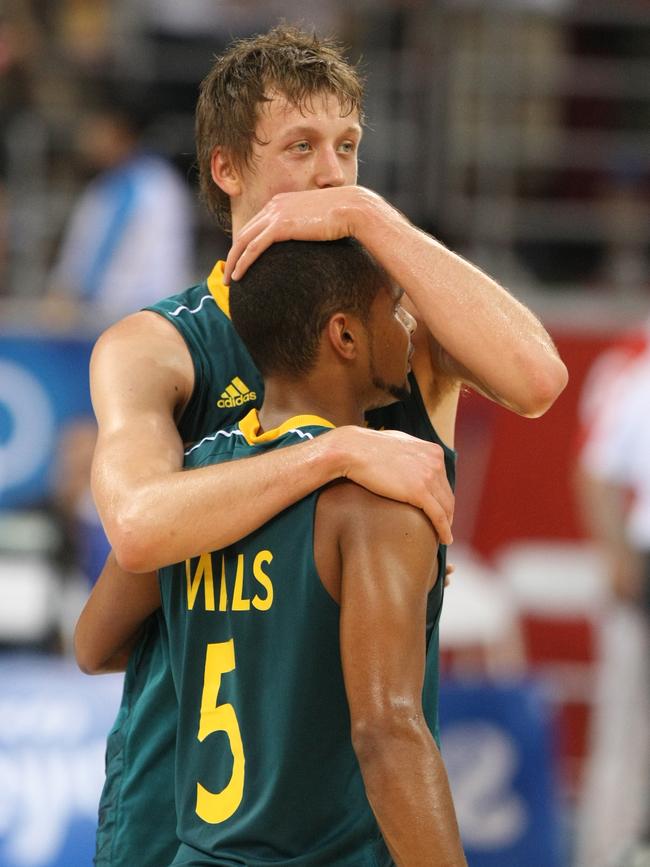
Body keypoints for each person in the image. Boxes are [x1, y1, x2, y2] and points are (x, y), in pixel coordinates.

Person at [75, 26, 567, 867]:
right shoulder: (157, 346)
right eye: (300, 147)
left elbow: (537, 378)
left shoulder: (398, 329)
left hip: (358, 815)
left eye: (349, 148)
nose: (331, 173)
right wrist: (335, 454)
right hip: (183, 800)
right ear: (227, 169)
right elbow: (138, 529)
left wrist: (369, 216)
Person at [85, 237, 469, 865]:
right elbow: (387, 735)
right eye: (396, 308)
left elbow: (93, 645)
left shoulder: (193, 485)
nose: (409, 326)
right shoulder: (378, 505)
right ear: (344, 336)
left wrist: (250, 632)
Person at [574, 325, 650, 867]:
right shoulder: (636, 369)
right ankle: (607, 853)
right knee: (626, 728)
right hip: (644, 565)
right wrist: (619, 558)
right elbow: (595, 469)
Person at [45, 102, 194, 327]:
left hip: (143, 311)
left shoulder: (156, 184)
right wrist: (65, 290)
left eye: (100, 132)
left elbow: (162, 256)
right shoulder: (103, 187)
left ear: (121, 134)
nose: (90, 141)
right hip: (97, 315)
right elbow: (84, 247)